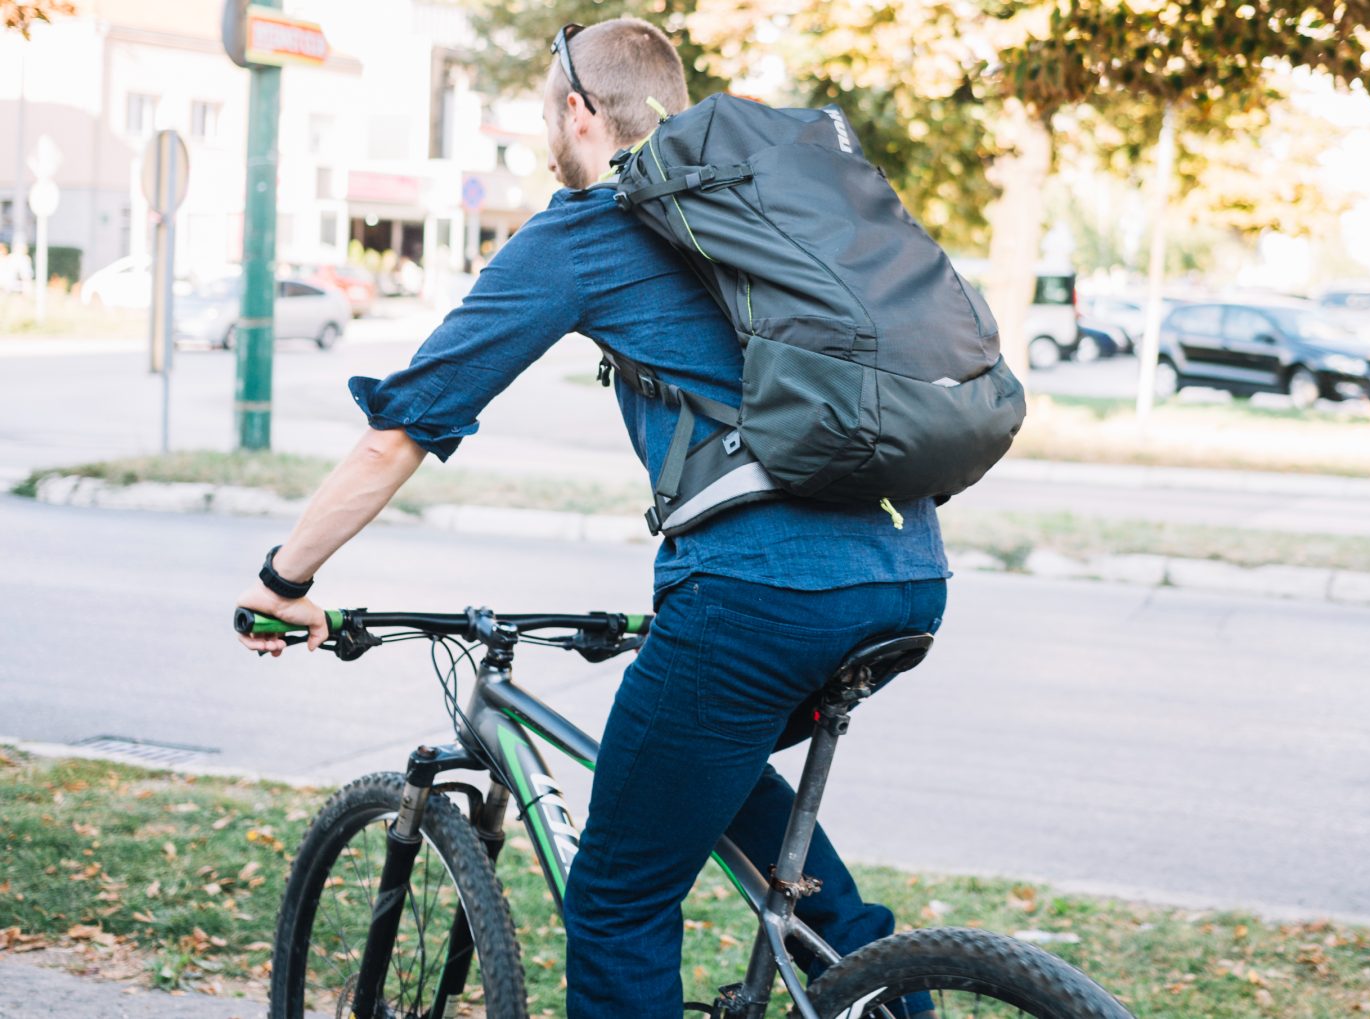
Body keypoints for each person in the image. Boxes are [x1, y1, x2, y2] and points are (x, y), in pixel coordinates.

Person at [234, 18, 947, 1018]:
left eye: (540, 117)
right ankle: (874, 988)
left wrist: (285, 577)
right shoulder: (777, 209)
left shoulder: (590, 224)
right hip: (909, 564)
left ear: (579, 110)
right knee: (704, 771)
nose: (541, 138)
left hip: (760, 591)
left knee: (616, 897)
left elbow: (402, 429)